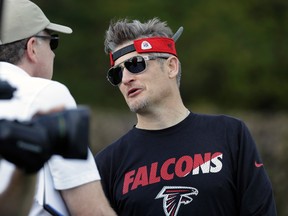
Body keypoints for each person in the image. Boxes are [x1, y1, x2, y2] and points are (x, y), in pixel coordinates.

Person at [95, 17, 277, 216]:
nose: (126, 79)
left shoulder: (230, 134)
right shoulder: (107, 164)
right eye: (117, 74)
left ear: (171, 67)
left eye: (135, 64)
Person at [0, 0, 116, 215]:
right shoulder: (46, 92)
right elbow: (91, 210)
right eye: (53, 42)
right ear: (32, 47)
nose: (53, 53)